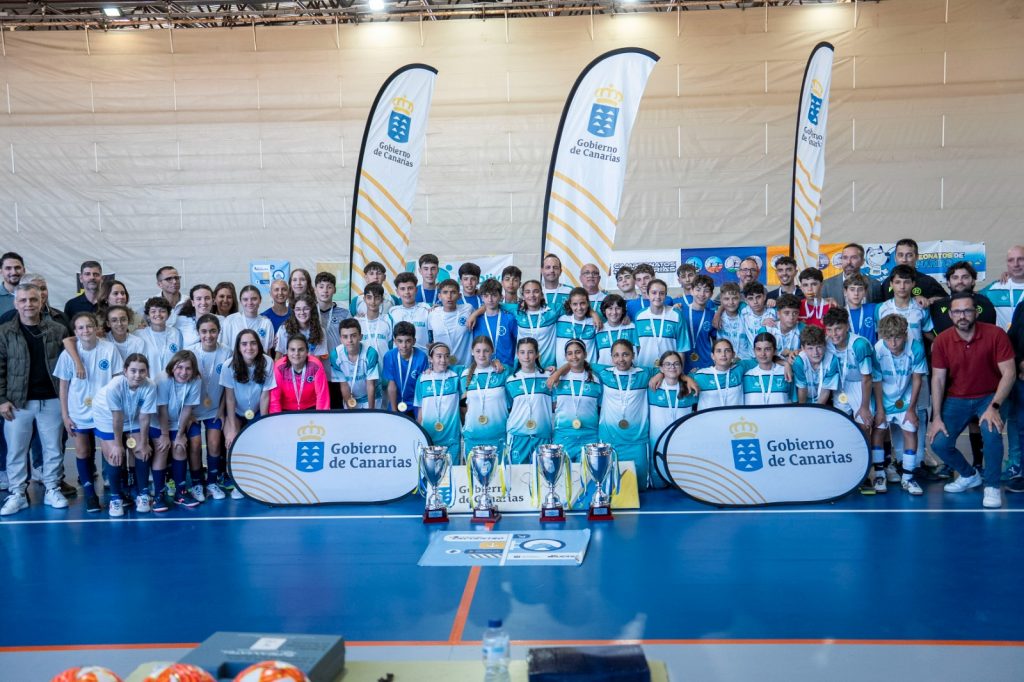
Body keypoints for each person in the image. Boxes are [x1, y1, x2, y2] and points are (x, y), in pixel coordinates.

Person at [928, 292, 1015, 509]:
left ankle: (993, 486)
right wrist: (936, 417)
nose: (962, 316)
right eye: (957, 311)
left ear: (976, 312)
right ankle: (969, 475)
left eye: (967, 310)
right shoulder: (942, 340)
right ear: (950, 314)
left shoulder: (995, 334)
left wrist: (994, 406)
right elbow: (938, 379)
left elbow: (1009, 373)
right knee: (939, 443)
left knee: (992, 434)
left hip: (989, 396)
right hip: (957, 397)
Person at [0, 283, 71, 515]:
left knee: (53, 449)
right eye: (23, 300)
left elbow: (67, 367)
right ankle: (18, 493)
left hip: (51, 400)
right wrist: (1, 399)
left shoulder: (57, 329)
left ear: (41, 301)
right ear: (15, 303)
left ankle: (52, 488)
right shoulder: (5, 332)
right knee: (16, 450)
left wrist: (66, 401)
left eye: (33, 300)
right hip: (18, 402)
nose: (28, 304)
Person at [54, 312, 120, 513]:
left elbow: (117, 380)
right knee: (83, 451)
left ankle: (117, 493)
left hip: (104, 411)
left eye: (89, 326)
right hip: (79, 411)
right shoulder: (68, 355)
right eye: (81, 328)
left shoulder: (109, 349)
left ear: (96, 327)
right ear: (75, 332)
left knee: (110, 453)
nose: (86, 330)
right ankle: (91, 495)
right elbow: (63, 387)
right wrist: (65, 415)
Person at [89, 354, 157, 517]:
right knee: (115, 455)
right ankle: (115, 498)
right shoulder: (115, 387)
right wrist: (119, 445)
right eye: (133, 371)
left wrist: (145, 442)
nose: (137, 375)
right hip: (107, 415)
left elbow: (145, 417)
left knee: (142, 451)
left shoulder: (150, 386)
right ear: (125, 371)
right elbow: (117, 418)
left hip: (132, 415)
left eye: (142, 371)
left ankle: (142, 494)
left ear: (147, 372)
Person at [871, 314, 928, 495]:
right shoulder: (878, 349)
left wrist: (912, 409)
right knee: (879, 430)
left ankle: (908, 477)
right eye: (888, 338)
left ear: (905, 334)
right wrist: (880, 409)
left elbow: (917, 380)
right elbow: (877, 381)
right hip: (884, 397)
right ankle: (880, 474)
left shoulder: (916, 348)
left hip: (906, 398)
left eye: (897, 337)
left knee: (910, 431)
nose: (893, 343)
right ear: (882, 337)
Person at [594, 339, 656, 489]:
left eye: (625, 354)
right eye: (616, 355)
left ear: (633, 355)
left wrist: (659, 375)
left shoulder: (644, 373)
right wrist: (556, 374)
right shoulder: (604, 372)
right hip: (610, 439)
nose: (621, 359)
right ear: (611, 357)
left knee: (638, 488)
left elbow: (668, 368)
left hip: (637, 440)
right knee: (611, 486)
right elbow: (577, 362)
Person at [187, 314, 232, 501]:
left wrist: (222, 409)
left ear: (218, 332)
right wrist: (187, 414)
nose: (208, 335)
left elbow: (228, 386)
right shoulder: (190, 353)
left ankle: (212, 482)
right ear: (198, 333)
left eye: (213, 331)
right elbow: (183, 385)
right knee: (195, 445)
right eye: (204, 331)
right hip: (193, 411)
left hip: (214, 408)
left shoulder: (227, 352)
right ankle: (197, 484)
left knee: (214, 444)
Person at [151, 350, 202, 510]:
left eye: (188, 369)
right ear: (173, 367)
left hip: (177, 421)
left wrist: (180, 435)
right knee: (163, 448)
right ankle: (158, 495)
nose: (183, 372)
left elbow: (187, 409)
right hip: (158, 421)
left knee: (179, 447)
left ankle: (180, 492)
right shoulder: (163, 379)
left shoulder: (196, 380)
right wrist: (165, 435)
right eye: (180, 367)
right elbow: (162, 410)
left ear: (193, 370)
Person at [220, 329, 276, 467]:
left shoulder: (267, 362)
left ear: (259, 345)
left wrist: (263, 424)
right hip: (237, 413)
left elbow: (265, 396)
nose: (249, 348)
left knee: (262, 441)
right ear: (238, 348)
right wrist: (233, 427)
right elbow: (230, 399)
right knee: (231, 441)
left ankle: (258, 477)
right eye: (244, 344)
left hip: (257, 411)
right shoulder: (228, 366)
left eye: (253, 343)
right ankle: (234, 480)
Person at [547, 339, 602, 462]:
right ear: (565, 356)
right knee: (562, 478)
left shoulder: (596, 379)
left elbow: (600, 407)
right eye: (570, 353)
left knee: (587, 478)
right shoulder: (558, 380)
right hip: (563, 436)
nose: (574, 356)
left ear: (585, 354)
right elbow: (553, 406)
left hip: (589, 436)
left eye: (578, 352)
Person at [647, 350, 697, 485]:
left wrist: (687, 378)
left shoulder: (689, 388)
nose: (672, 367)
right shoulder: (652, 387)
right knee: (659, 486)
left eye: (676, 364)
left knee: (681, 484)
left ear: (681, 367)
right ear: (661, 368)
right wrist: (659, 375)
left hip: (681, 442)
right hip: (657, 442)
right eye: (667, 364)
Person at [824, 307, 876, 434]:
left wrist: (864, 407)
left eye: (838, 329)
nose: (833, 334)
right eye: (829, 330)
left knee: (864, 427)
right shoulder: (827, 342)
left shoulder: (859, 345)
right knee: (842, 427)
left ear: (847, 327)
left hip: (861, 384)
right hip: (841, 386)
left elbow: (867, 378)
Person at [460, 336, 512, 457]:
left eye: (486, 350)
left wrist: (545, 369)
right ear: (472, 352)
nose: (482, 355)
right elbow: (463, 408)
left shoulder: (503, 371)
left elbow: (525, 370)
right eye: (478, 351)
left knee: (499, 475)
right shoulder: (464, 375)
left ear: (492, 351)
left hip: (498, 436)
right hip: (473, 437)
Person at [504, 338, 553, 465]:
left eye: (530, 352)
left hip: (542, 436)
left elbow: (555, 406)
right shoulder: (510, 380)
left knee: (543, 480)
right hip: (518, 436)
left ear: (537, 354)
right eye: (522, 352)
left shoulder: (548, 377)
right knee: (517, 480)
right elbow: (509, 408)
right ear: (517, 355)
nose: (526, 356)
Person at [415, 342, 464, 459]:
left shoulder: (456, 375)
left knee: (453, 473)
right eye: (439, 356)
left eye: (447, 356)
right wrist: (418, 433)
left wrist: (495, 362)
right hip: (430, 437)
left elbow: (478, 365)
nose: (443, 360)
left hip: (452, 438)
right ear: (430, 359)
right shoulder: (422, 379)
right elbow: (420, 409)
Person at [634, 279, 691, 370]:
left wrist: (679, 374)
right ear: (647, 295)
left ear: (665, 296)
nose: (658, 296)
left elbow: (681, 349)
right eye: (654, 292)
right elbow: (638, 347)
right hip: (644, 369)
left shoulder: (676, 315)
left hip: (669, 371)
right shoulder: (639, 316)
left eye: (661, 293)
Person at [268, 335, 331, 413]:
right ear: (287, 352)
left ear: (307, 352)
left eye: (301, 350)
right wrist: (276, 420)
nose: (296, 353)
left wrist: (321, 417)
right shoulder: (279, 367)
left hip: (311, 409)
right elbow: (274, 399)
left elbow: (322, 396)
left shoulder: (315, 366)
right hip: (286, 411)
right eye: (292, 350)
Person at [875, 265, 935, 344]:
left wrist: (939, 344)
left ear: (913, 284)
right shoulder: (881, 308)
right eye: (897, 282)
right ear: (891, 284)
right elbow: (880, 336)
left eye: (906, 282)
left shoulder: (921, 307)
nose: (902, 286)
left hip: (916, 355)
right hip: (890, 355)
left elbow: (927, 332)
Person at [933, 260, 997, 334]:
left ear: (973, 281)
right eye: (955, 277)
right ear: (948, 283)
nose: (960, 281)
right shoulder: (937, 306)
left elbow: (991, 333)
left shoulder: (985, 303)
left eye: (965, 277)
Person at [880, 238, 946, 306]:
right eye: (900, 255)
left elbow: (947, 300)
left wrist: (929, 300)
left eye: (909, 255)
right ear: (895, 257)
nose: (904, 260)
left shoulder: (928, 281)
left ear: (917, 257)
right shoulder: (887, 283)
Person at [330, 318, 379, 409]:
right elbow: (344, 385)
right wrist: (351, 409)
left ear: (361, 336)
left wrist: (371, 411)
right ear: (340, 339)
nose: (349, 340)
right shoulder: (335, 356)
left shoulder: (370, 353)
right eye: (345, 337)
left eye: (353, 336)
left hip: (371, 398)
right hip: (350, 399)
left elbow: (370, 385)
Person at [382, 322, 429, 418]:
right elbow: (391, 386)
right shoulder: (389, 356)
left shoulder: (421, 357)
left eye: (408, 341)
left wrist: (420, 411)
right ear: (394, 341)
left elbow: (422, 387)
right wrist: (394, 412)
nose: (404, 345)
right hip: (396, 402)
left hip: (415, 403)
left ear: (414, 341)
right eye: (400, 341)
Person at [514, 280, 562, 371]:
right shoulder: (516, 311)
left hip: (548, 368)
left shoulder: (552, 310)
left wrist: (593, 314)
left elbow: (574, 306)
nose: (532, 295)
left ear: (541, 294)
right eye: (527, 292)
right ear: (523, 296)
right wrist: (477, 314)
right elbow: (495, 305)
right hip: (523, 369)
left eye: (536, 291)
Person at [689, 339, 751, 410]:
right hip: (709, 420)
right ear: (712, 356)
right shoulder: (700, 375)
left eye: (727, 350)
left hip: (735, 420)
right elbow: (678, 379)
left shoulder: (739, 368)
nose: (723, 355)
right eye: (719, 351)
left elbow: (759, 360)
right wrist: (687, 378)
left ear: (733, 354)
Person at [0, 273, 71, 334]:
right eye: (34, 289)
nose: (40, 293)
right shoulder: (7, 318)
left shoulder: (61, 317)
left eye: (43, 288)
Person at [469, 278, 517, 366]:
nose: (490, 299)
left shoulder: (509, 318)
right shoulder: (476, 320)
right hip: (483, 368)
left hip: (506, 367)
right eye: (486, 296)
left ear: (501, 297)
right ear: (482, 298)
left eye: (494, 295)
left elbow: (518, 343)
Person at [133, 297, 184, 381]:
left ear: (168, 315)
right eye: (153, 311)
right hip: (147, 384)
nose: (158, 314)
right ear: (148, 316)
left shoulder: (177, 334)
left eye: (162, 311)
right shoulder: (139, 335)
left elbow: (181, 360)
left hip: (172, 383)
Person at [427, 279, 474, 366]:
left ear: (459, 296)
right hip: (442, 368)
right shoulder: (433, 314)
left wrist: (475, 314)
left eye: (453, 292)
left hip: (466, 367)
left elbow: (487, 306)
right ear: (439, 296)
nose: (449, 296)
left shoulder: (468, 309)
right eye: (445, 292)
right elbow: (430, 342)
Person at [792, 326, 839, 405]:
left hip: (824, 400)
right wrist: (802, 411)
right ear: (803, 348)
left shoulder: (832, 360)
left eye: (819, 347)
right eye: (810, 348)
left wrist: (817, 412)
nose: (815, 353)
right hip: (803, 398)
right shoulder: (799, 361)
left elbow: (825, 390)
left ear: (825, 345)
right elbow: (802, 388)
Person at [742, 333, 792, 405]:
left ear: (775, 351)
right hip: (754, 416)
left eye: (767, 349)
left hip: (781, 416)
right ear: (754, 351)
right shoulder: (746, 375)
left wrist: (786, 364)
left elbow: (794, 402)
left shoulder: (785, 372)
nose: (763, 354)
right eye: (759, 349)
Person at [274, 293, 328, 360]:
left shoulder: (320, 331)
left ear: (312, 310)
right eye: (298, 309)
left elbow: (317, 361)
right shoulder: (284, 329)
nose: (302, 312)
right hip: (288, 368)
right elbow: (278, 357)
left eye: (306, 309)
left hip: (310, 369)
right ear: (294, 311)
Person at [220, 285, 274, 350]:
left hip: (259, 360)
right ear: (240, 301)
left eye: (254, 299)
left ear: (260, 300)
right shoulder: (230, 321)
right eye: (245, 299)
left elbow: (267, 352)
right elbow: (224, 348)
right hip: (234, 360)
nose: (250, 302)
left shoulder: (266, 323)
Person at [554, 288, 598, 366]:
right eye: (575, 304)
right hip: (564, 373)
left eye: (582, 303)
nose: (579, 308)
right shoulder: (560, 319)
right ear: (570, 305)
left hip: (588, 372)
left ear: (588, 303)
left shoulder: (594, 322)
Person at [388, 272, 431, 351]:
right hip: (399, 359)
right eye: (402, 289)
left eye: (410, 288)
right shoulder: (392, 312)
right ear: (397, 292)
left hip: (423, 358)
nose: (407, 292)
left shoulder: (427, 309)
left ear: (416, 290)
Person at [682, 275, 716, 371]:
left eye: (706, 290)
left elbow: (715, 341)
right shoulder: (680, 312)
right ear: (691, 291)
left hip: (706, 364)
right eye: (698, 289)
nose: (702, 294)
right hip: (683, 364)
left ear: (711, 294)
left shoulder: (713, 315)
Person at [357, 282, 394, 364]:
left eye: (376, 298)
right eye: (369, 297)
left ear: (382, 300)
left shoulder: (388, 320)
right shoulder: (357, 322)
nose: (373, 301)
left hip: (384, 367)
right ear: (364, 299)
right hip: (364, 369)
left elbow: (392, 346)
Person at [595, 294, 637, 366]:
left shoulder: (631, 327)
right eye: (610, 308)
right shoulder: (599, 329)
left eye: (618, 308)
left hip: (627, 372)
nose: (614, 312)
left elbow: (637, 351)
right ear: (604, 311)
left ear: (623, 310)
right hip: (604, 374)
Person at [175, 284, 220, 349]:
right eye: (199, 299)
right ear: (193, 302)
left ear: (213, 301)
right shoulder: (181, 321)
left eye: (207, 298)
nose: (203, 302)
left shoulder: (222, 321)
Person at [713, 283, 749, 359]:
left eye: (735, 298)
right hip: (725, 360)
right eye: (726, 299)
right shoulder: (716, 315)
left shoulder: (746, 312)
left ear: (740, 297)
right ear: (721, 300)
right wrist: (718, 313)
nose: (731, 302)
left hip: (746, 360)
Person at [761, 294, 801, 358]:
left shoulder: (802, 328)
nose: (791, 317)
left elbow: (810, 351)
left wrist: (798, 351)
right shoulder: (766, 329)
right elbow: (762, 356)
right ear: (778, 314)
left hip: (793, 365)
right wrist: (784, 363)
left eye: (795, 313)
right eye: (786, 313)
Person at [843, 274, 877, 344]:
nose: (856, 293)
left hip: (871, 353)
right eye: (852, 289)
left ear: (865, 292)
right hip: (849, 354)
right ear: (845, 292)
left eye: (860, 289)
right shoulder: (840, 313)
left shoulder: (874, 309)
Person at [0, 251, 25, 316]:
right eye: (8, 268)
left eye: (17, 268)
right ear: (1, 271)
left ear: (24, 270)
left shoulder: (36, 293)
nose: (14, 272)